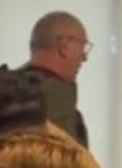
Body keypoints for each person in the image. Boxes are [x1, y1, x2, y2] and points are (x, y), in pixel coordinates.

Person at [20, 10, 92, 148]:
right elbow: (66, 164)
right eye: (83, 47)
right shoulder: (55, 97)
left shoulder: (3, 89)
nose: (84, 57)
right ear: (65, 46)